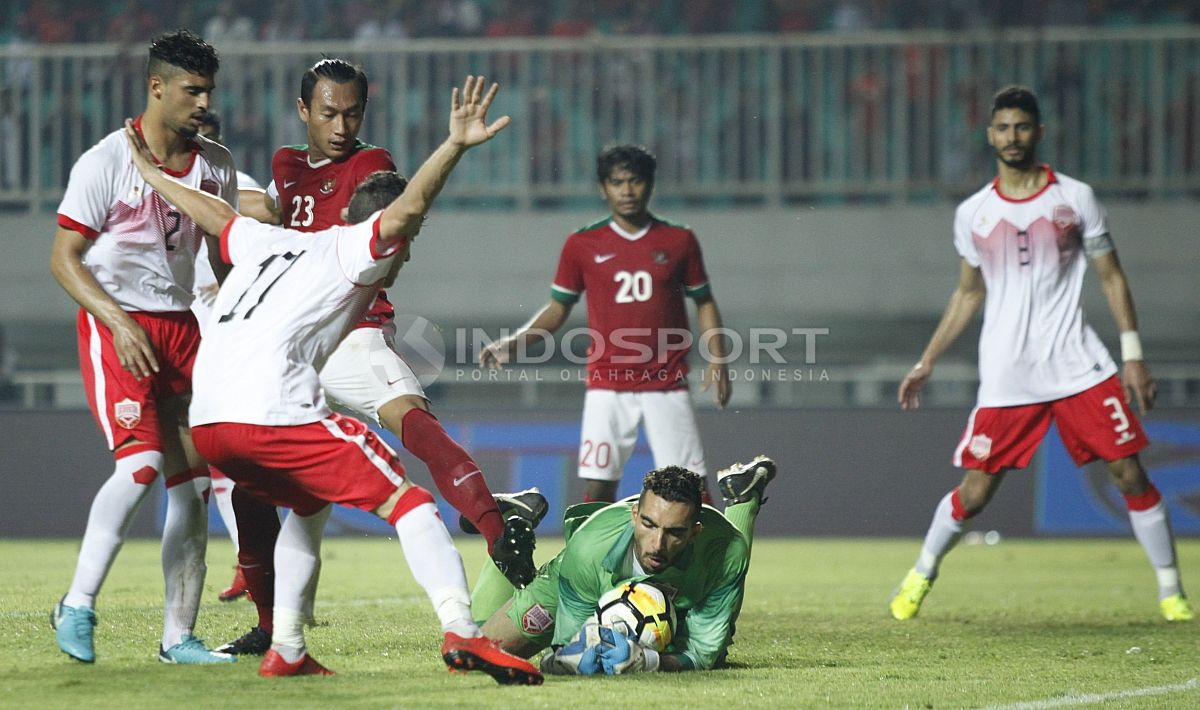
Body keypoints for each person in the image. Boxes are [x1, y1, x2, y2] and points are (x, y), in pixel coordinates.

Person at [122, 74, 543, 683]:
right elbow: (410, 208)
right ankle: (464, 631)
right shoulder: (351, 249)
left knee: (307, 504)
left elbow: (215, 215)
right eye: (408, 242)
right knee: (409, 500)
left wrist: (152, 174)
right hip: (271, 406)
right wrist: (453, 146)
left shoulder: (269, 238)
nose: (409, 251)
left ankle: (285, 645)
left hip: (211, 416)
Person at [221, 58, 527, 656]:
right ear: (304, 110)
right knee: (251, 491)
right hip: (288, 346)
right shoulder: (284, 167)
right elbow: (258, 211)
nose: (341, 125)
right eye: (329, 112)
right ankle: (270, 627)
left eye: (353, 113)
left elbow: (385, 219)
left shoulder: (372, 165)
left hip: (353, 330)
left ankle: (500, 532)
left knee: (414, 421)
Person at [888, 86, 1193, 623]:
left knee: (1129, 474)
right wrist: (928, 359)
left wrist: (1133, 354)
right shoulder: (973, 213)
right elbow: (967, 292)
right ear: (990, 135)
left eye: (1021, 127)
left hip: (1078, 364)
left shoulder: (1075, 198)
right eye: (1002, 128)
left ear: (1039, 132)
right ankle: (920, 574)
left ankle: (1172, 592)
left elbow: (1111, 276)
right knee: (976, 491)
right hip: (1009, 373)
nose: (1012, 137)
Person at [48, 29, 237, 665]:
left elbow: (222, 255)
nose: (203, 100)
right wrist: (119, 323)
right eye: (191, 89)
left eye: (209, 89)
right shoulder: (105, 162)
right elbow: (63, 260)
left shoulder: (215, 164)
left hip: (182, 329)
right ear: (156, 88)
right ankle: (76, 603)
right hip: (117, 325)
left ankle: (178, 637)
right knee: (141, 466)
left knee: (195, 486)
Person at [480, 145, 731, 503]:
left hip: (666, 383)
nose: (627, 191)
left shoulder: (679, 240)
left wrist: (718, 358)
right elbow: (557, 307)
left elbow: (704, 300)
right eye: (617, 183)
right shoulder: (582, 243)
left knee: (691, 489)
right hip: (607, 385)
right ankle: (592, 561)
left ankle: (705, 559)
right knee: (598, 489)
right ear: (603, 188)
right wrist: (514, 342)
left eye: (635, 181)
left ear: (649, 185)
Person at [468, 456, 776, 674]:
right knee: (478, 655)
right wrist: (567, 658)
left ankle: (743, 498)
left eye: (675, 532)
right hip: (583, 581)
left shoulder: (724, 553)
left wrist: (651, 661)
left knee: (712, 656)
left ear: (694, 531)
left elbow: (703, 653)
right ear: (634, 516)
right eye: (649, 524)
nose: (657, 544)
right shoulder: (590, 549)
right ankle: (510, 520)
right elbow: (564, 651)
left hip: (686, 594)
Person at [192, 110, 267, 603]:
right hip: (179, 324)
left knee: (231, 449)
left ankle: (254, 560)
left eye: (207, 140)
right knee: (201, 456)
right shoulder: (159, 187)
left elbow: (272, 217)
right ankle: (249, 559)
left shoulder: (235, 184)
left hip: (227, 333)